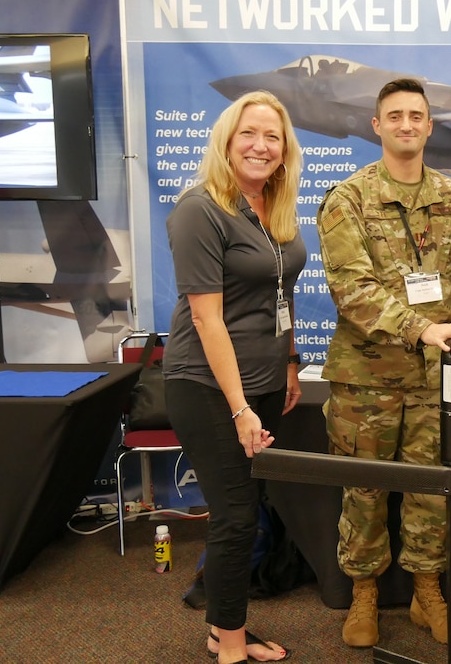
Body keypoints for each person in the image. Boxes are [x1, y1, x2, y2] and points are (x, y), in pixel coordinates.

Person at [316, 78, 451, 649]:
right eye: (394, 116)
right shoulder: (348, 199)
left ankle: (427, 593)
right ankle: (364, 597)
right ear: (377, 126)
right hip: (365, 381)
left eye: (416, 116)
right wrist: (424, 328)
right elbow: (354, 291)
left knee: (432, 493)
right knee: (364, 491)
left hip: (434, 381)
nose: (407, 125)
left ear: (430, 125)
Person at [163, 90, 305, 664]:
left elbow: (282, 294)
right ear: (226, 140)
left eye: (273, 136)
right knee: (235, 516)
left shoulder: (277, 206)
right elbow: (206, 317)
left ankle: (225, 628)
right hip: (208, 387)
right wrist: (240, 408)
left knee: (250, 506)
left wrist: (289, 361)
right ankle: (229, 645)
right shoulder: (200, 209)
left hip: (267, 381)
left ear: (285, 149)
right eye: (249, 133)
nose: (261, 145)